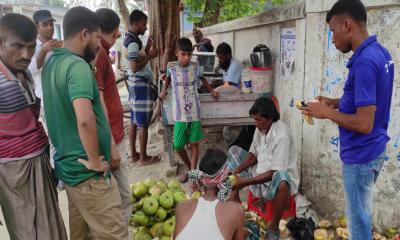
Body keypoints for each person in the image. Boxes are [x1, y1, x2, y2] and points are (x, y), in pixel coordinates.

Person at [300, 1, 394, 239]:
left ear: (347, 24)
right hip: (374, 149)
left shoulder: (363, 62)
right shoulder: (380, 53)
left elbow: (364, 123)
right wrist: (333, 102)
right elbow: (368, 100)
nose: (332, 39)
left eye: (332, 31)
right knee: (361, 215)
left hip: (361, 155)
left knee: (358, 225)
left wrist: (325, 112)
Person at [42, 6, 128, 239]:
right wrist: (94, 161)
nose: (100, 44)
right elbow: (84, 119)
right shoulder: (77, 67)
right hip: (89, 176)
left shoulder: (51, 63)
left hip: (70, 171)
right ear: (84, 34)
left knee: (83, 236)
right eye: (97, 37)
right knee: (115, 235)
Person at [0, 13, 67, 240]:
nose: (26, 55)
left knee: (52, 227)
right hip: (13, 170)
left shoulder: (25, 73)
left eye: (30, 47)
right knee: (27, 232)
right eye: (17, 46)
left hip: (39, 160)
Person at [227, 97, 300, 240]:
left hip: (274, 181)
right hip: (259, 173)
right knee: (233, 151)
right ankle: (234, 199)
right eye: (255, 119)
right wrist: (236, 172)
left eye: (259, 119)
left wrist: (246, 181)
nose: (256, 123)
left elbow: (274, 172)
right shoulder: (261, 128)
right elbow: (253, 155)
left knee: (283, 181)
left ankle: (273, 226)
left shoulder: (281, 136)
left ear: (270, 117)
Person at [159, 37, 219, 185]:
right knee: (178, 145)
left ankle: (193, 176)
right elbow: (167, 78)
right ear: (176, 53)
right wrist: (164, 90)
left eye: (189, 54)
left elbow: (203, 78)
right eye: (183, 54)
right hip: (179, 114)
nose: (186, 58)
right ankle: (190, 168)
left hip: (194, 113)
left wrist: (212, 91)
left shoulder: (195, 66)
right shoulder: (171, 67)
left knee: (194, 144)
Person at [94, 8, 132, 223]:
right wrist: (110, 145)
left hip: (113, 135)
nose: (118, 35)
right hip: (110, 140)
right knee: (122, 198)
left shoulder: (102, 53)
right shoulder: (99, 54)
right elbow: (98, 103)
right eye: (116, 31)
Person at [174, 149, 245, 240]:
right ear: (226, 178)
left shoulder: (181, 207)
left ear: (200, 180)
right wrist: (235, 193)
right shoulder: (236, 210)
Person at [124, 9, 160, 165]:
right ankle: (144, 158)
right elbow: (134, 67)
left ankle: (134, 155)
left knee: (133, 120)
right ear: (135, 23)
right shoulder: (132, 42)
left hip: (135, 85)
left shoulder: (132, 39)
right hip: (140, 84)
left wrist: (146, 49)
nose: (145, 28)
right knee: (143, 123)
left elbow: (138, 57)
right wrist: (150, 56)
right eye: (144, 24)